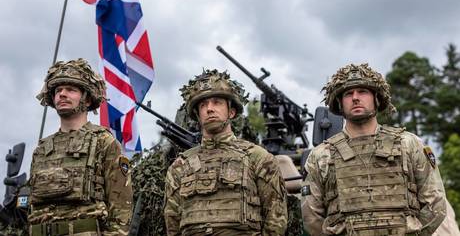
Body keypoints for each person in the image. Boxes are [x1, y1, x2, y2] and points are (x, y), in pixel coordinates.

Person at [301, 63, 446, 235]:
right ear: (339, 103)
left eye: (362, 91)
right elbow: (311, 215)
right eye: (348, 93)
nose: (355, 98)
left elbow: (435, 202)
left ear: (376, 98)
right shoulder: (321, 155)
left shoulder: (409, 144)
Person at [164, 69, 288, 235]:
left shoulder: (258, 158)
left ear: (231, 111)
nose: (209, 109)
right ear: (198, 115)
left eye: (217, 102)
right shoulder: (180, 166)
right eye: (203, 105)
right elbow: (172, 225)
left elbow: (276, 221)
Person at [29, 59, 133, 235]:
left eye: (71, 90)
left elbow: (121, 208)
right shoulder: (41, 150)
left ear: (86, 98)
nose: (62, 94)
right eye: (58, 90)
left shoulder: (104, 142)